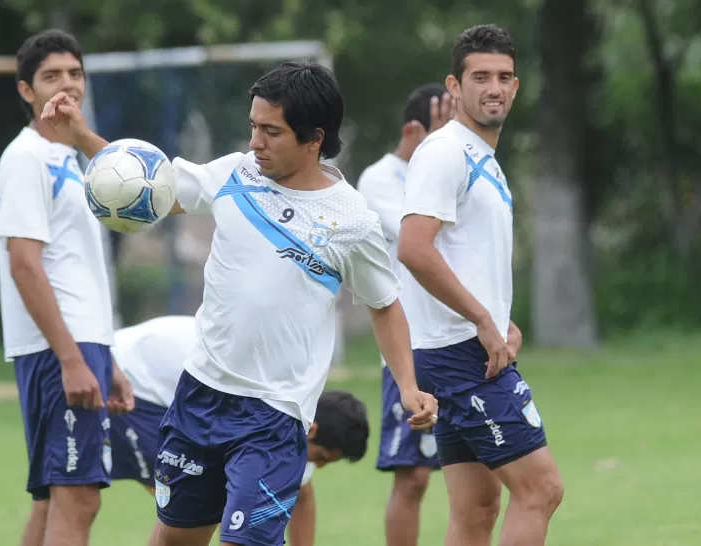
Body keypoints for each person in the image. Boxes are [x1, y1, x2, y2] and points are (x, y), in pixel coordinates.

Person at [41, 59, 439, 546]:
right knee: (173, 540)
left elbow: (384, 304)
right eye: (253, 126)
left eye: (271, 132)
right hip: (200, 396)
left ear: (314, 138)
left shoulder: (351, 220)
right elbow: (147, 185)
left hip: (274, 415)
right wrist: (82, 135)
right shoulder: (235, 173)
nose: (255, 142)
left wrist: (408, 384)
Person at [396, 24, 565, 546]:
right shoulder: (445, 152)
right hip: (460, 355)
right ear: (455, 86)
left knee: (477, 509)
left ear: (516, 87)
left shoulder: (481, 156)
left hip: (461, 349)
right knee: (541, 488)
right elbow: (414, 247)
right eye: (481, 76)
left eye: (505, 77)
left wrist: (497, 315)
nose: (494, 87)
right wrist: (482, 320)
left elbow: (458, 255)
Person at [0, 29, 134, 546]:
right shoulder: (27, 158)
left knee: (56, 498)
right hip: (59, 351)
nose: (66, 85)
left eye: (75, 74)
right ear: (27, 91)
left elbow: (76, 267)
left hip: (82, 345)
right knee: (79, 496)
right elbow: (24, 265)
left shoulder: (67, 160)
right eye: (52, 76)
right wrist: (72, 358)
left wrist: (106, 357)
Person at [106, 315, 370, 546]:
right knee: (191, 508)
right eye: (322, 457)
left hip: (174, 397)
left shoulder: (289, 415)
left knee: (196, 510)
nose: (318, 466)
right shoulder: (270, 401)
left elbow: (303, 496)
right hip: (127, 379)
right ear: (313, 430)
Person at [358, 83, 456, 546]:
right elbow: (417, 238)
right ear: (410, 130)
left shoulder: (462, 167)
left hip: (460, 337)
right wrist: (436, 153)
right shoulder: (378, 178)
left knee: (478, 472)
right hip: (411, 346)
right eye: (439, 129)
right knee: (413, 476)